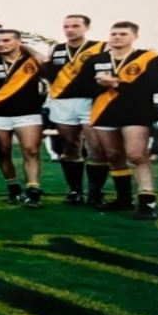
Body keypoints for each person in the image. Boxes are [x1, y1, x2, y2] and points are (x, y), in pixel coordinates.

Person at [83, 21, 158, 219]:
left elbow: (152, 85)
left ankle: (147, 201)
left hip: (136, 112)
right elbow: (84, 87)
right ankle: (124, 198)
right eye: (113, 33)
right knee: (113, 155)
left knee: (136, 155)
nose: (117, 37)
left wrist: (116, 83)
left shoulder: (148, 57)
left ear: (134, 36)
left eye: (122, 33)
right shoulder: (96, 59)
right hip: (104, 111)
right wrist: (101, 85)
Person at [42, 15, 108, 206]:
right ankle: (75, 190)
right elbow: (50, 74)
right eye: (66, 26)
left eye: (75, 26)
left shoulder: (101, 47)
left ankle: (96, 193)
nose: (70, 30)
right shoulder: (57, 49)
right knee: (70, 146)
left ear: (86, 27)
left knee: (97, 148)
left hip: (91, 102)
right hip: (62, 102)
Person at [0, 29, 47, 208]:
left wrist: (29, 48)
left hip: (28, 112)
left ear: (19, 41)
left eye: (6, 40)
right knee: (3, 151)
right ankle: (13, 188)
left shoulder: (32, 60)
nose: (1, 44)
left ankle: (33, 191)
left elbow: (46, 61)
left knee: (31, 151)